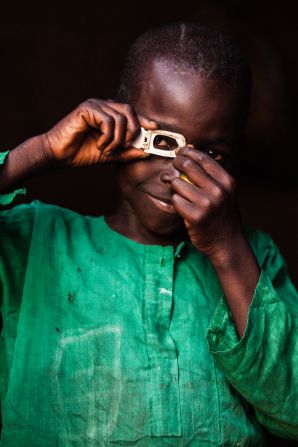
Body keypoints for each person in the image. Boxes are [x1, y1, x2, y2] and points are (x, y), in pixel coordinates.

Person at [0, 22, 297, 446]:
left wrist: (226, 249)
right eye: (159, 140)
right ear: (114, 123)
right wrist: (41, 152)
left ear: (236, 159)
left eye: (210, 154)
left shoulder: (252, 258)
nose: (178, 174)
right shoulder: (32, 242)